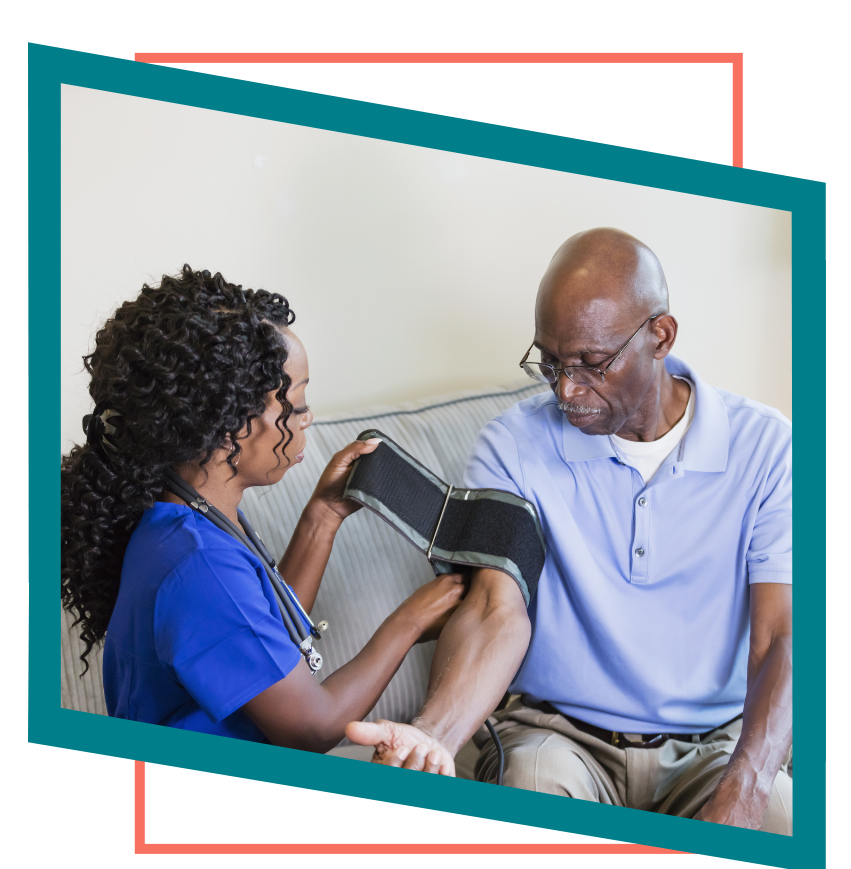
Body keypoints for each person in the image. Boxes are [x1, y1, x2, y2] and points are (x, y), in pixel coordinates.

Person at [347, 228, 793, 834]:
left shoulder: (768, 447)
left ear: (660, 336)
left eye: (591, 363)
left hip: (710, 750)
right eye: (551, 363)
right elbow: (492, 607)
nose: (565, 390)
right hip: (558, 740)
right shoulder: (512, 444)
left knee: (777, 816)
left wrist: (748, 782)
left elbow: (783, 636)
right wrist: (434, 735)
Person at [61, 265, 465, 754]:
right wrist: (411, 620)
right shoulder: (197, 562)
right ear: (227, 424)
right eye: (293, 403)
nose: (306, 417)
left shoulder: (189, 519)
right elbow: (311, 728)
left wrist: (323, 516)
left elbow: (260, 631)